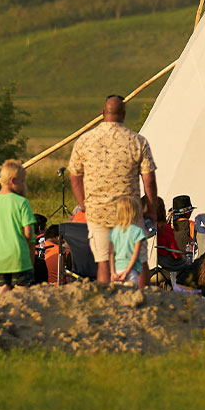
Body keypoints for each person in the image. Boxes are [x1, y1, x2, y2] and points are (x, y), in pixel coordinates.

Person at [68, 94, 157, 286]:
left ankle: (107, 307)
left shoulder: (85, 141)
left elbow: (74, 176)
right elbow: (149, 180)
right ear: (124, 114)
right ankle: (144, 306)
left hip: (97, 212)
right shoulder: (137, 142)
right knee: (139, 262)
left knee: (103, 263)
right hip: (129, 212)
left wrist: (84, 205)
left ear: (102, 114)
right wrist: (151, 208)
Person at [0, 160, 36, 294]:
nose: (23, 185)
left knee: (3, 289)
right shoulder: (22, 202)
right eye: (22, 181)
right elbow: (28, 233)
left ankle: (3, 314)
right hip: (18, 256)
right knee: (22, 291)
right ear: (12, 180)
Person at [109, 195, 147, 286]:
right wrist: (127, 272)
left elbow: (111, 253)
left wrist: (112, 272)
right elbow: (135, 254)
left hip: (117, 271)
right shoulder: (137, 231)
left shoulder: (114, 232)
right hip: (131, 270)